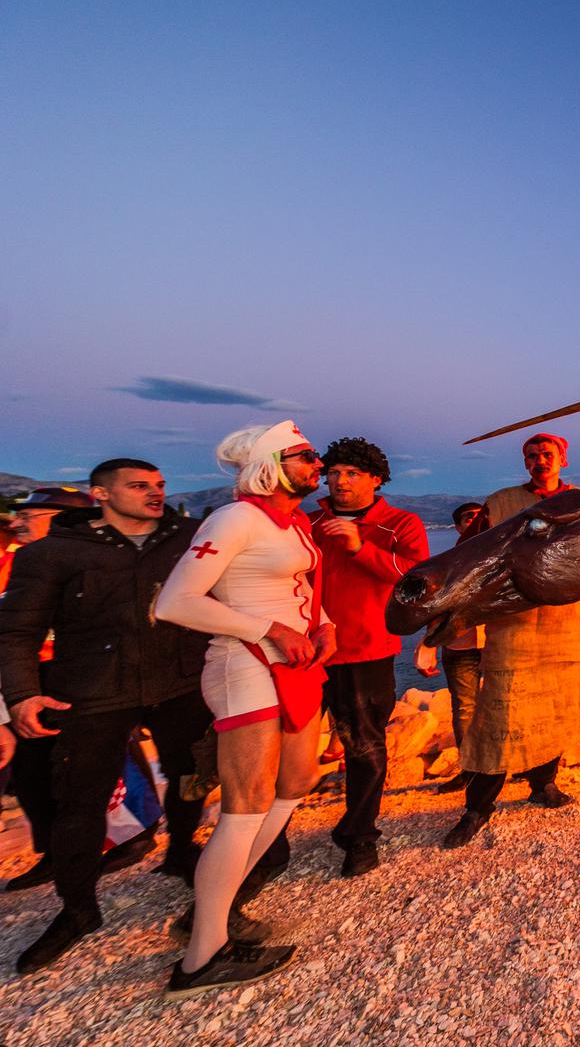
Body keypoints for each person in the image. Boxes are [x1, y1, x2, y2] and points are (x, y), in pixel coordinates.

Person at [0, 461, 214, 974]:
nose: (155, 493)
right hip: (93, 692)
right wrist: (23, 696)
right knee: (79, 801)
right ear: (101, 493)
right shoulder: (50, 554)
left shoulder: (187, 537)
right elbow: (16, 633)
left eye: (161, 485)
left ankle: (182, 852)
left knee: (189, 778)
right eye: (139, 486)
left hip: (179, 684)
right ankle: (77, 909)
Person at [155, 422, 335, 998]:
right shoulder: (233, 519)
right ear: (268, 464)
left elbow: (301, 587)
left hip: (296, 664)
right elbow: (175, 602)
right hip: (245, 663)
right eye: (304, 456)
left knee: (299, 779)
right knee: (246, 804)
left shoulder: (294, 522)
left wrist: (323, 623)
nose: (318, 464)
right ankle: (202, 957)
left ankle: (221, 906)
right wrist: (271, 629)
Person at [441, 433, 580, 848]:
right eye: (532, 456)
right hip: (514, 624)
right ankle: (478, 808)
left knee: (556, 707)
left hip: (567, 622)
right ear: (524, 463)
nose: (540, 461)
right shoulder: (502, 502)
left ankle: (543, 785)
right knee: (499, 715)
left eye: (547, 454)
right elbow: (468, 551)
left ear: (562, 457)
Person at [304, 437, 429, 877]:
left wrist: (361, 547)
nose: (340, 480)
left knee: (364, 745)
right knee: (294, 750)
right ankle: (267, 839)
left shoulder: (400, 523)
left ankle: (360, 837)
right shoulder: (309, 521)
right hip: (304, 650)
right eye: (333, 472)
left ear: (376, 479)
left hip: (365, 649)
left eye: (352, 473)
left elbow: (416, 580)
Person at [2, 486, 96, 893]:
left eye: (30, 515)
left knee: (72, 770)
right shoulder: (19, 561)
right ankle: (54, 852)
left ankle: (121, 839)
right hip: (27, 674)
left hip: (71, 675)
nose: (18, 521)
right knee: (30, 773)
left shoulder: (87, 561)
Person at [413, 501, 485, 795]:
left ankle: (510, 765)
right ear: (458, 526)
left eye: (482, 518)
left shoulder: (502, 556)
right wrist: (426, 647)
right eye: (469, 519)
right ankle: (470, 771)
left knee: (503, 705)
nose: (476, 522)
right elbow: (433, 608)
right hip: (460, 644)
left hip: (499, 642)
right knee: (465, 709)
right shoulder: (445, 564)